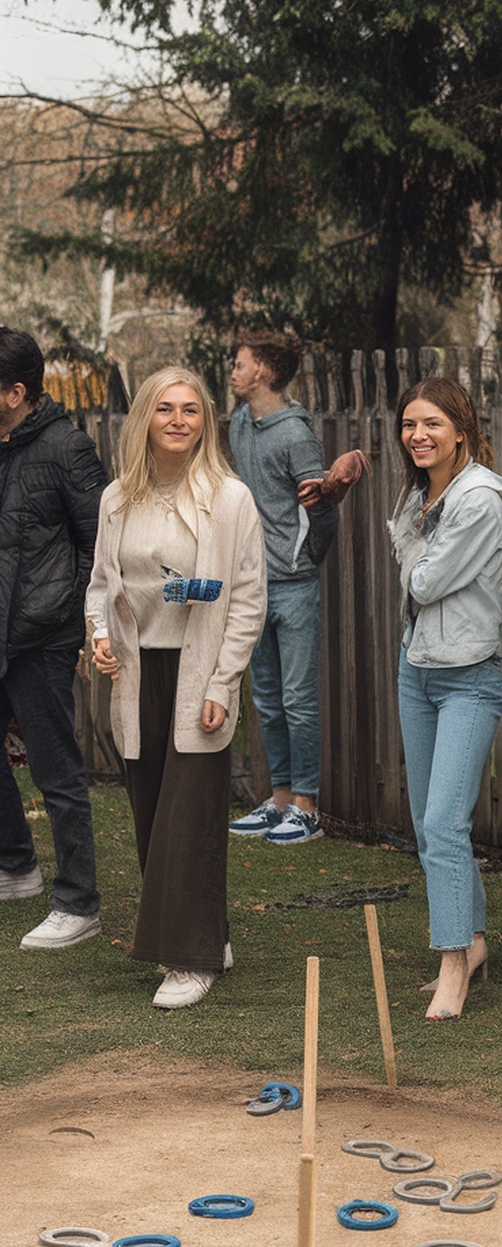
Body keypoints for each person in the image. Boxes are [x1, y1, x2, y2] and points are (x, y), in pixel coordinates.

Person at [87, 368, 266, 1009]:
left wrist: (224, 682)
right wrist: (100, 636)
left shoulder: (230, 498)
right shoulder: (116, 499)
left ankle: (189, 962)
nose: (179, 420)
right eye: (166, 408)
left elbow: (247, 599)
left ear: (205, 421)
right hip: (138, 675)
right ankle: (206, 936)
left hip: (199, 672)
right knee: (149, 813)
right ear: (144, 418)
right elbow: (102, 587)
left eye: (192, 409)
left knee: (187, 816)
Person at [388, 377, 502, 1023]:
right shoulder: (420, 494)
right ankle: (471, 941)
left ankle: (451, 966)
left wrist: (412, 551)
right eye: (410, 424)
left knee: (443, 823)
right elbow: (415, 575)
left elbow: (425, 578)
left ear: (461, 429)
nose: (418, 434)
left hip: (469, 678)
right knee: (428, 824)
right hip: (418, 670)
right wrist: (413, 550)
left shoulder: (478, 501)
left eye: (432, 423)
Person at [227, 331, 366, 845]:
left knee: (298, 698)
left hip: (294, 587)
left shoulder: (295, 435)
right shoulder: (240, 423)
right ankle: (279, 797)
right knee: (265, 697)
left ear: (262, 370)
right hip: (253, 586)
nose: (234, 371)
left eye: (240, 364)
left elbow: (323, 507)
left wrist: (306, 559)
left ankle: (307, 805)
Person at [0, 326, 108, 950]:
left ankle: (78, 902)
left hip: (41, 636)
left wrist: (73, 621)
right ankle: (16, 864)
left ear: (16, 392)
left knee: (56, 773)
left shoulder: (67, 449)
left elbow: (100, 544)